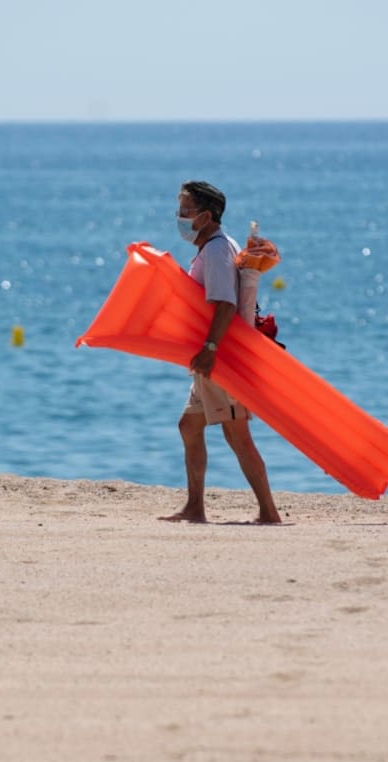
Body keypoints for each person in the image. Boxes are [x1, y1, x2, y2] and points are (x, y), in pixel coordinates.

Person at [160, 181, 281, 524]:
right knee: (189, 426)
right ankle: (194, 507)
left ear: (207, 216)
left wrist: (210, 349)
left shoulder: (215, 251)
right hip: (210, 357)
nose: (180, 217)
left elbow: (225, 304)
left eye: (186, 211)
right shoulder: (214, 247)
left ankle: (269, 512)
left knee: (237, 435)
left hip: (221, 357)